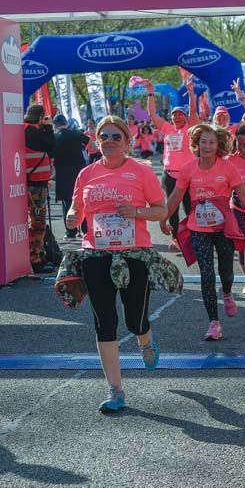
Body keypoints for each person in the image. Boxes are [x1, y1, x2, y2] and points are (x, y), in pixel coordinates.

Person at [66, 116, 167, 413]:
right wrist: (73, 217)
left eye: (115, 137)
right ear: (97, 142)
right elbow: (77, 208)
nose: (109, 141)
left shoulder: (141, 172)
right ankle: (115, 389)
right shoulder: (86, 174)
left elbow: (161, 211)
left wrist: (136, 212)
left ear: (127, 141)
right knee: (104, 320)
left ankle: (145, 341)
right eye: (104, 137)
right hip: (96, 254)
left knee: (135, 318)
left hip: (134, 253)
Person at [162, 124, 245, 340]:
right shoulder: (189, 169)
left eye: (211, 142)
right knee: (207, 273)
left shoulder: (227, 168)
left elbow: (243, 196)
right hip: (198, 226)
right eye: (203, 142)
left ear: (218, 145)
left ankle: (227, 293)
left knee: (226, 271)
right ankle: (214, 323)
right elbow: (175, 197)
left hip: (223, 226)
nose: (207, 146)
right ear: (196, 145)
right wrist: (163, 217)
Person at [145, 77, 198, 238]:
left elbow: (194, 112)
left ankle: (194, 237)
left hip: (188, 175)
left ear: (185, 117)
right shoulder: (167, 128)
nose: (177, 117)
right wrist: (150, 93)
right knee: (171, 208)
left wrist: (190, 92)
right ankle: (176, 238)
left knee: (189, 207)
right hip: (169, 174)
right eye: (175, 115)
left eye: (181, 114)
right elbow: (152, 114)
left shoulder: (190, 128)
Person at [24, 104, 55, 275]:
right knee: (37, 224)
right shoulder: (31, 131)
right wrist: (49, 127)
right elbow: (49, 145)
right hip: (34, 185)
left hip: (36, 183)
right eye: (45, 118)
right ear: (41, 117)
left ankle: (39, 255)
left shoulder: (28, 129)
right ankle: (35, 259)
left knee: (37, 223)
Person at [52, 115, 90, 240]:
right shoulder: (76, 133)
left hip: (63, 172)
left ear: (56, 125)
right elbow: (90, 143)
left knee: (67, 202)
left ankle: (70, 232)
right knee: (83, 200)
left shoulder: (54, 137)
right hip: (80, 171)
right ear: (66, 123)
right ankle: (86, 229)